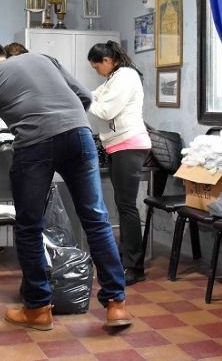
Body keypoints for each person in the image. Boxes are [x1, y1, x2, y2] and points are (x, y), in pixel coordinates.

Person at [0, 38, 132, 331]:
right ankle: (116, 305)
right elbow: (84, 97)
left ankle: (38, 308)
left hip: (35, 145)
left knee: (29, 226)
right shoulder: (42, 58)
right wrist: (69, 120)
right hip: (79, 134)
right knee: (96, 220)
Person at [87, 41, 151, 285]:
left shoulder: (126, 76)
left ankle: (135, 267)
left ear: (107, 60)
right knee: (122, 205)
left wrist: (85, 99)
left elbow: (106, 110)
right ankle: (126, 259)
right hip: (118, 145)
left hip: (129, 144)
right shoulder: (112, 79)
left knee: (126, 206)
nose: (96, 72)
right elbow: (94, 96)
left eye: (96, 67)